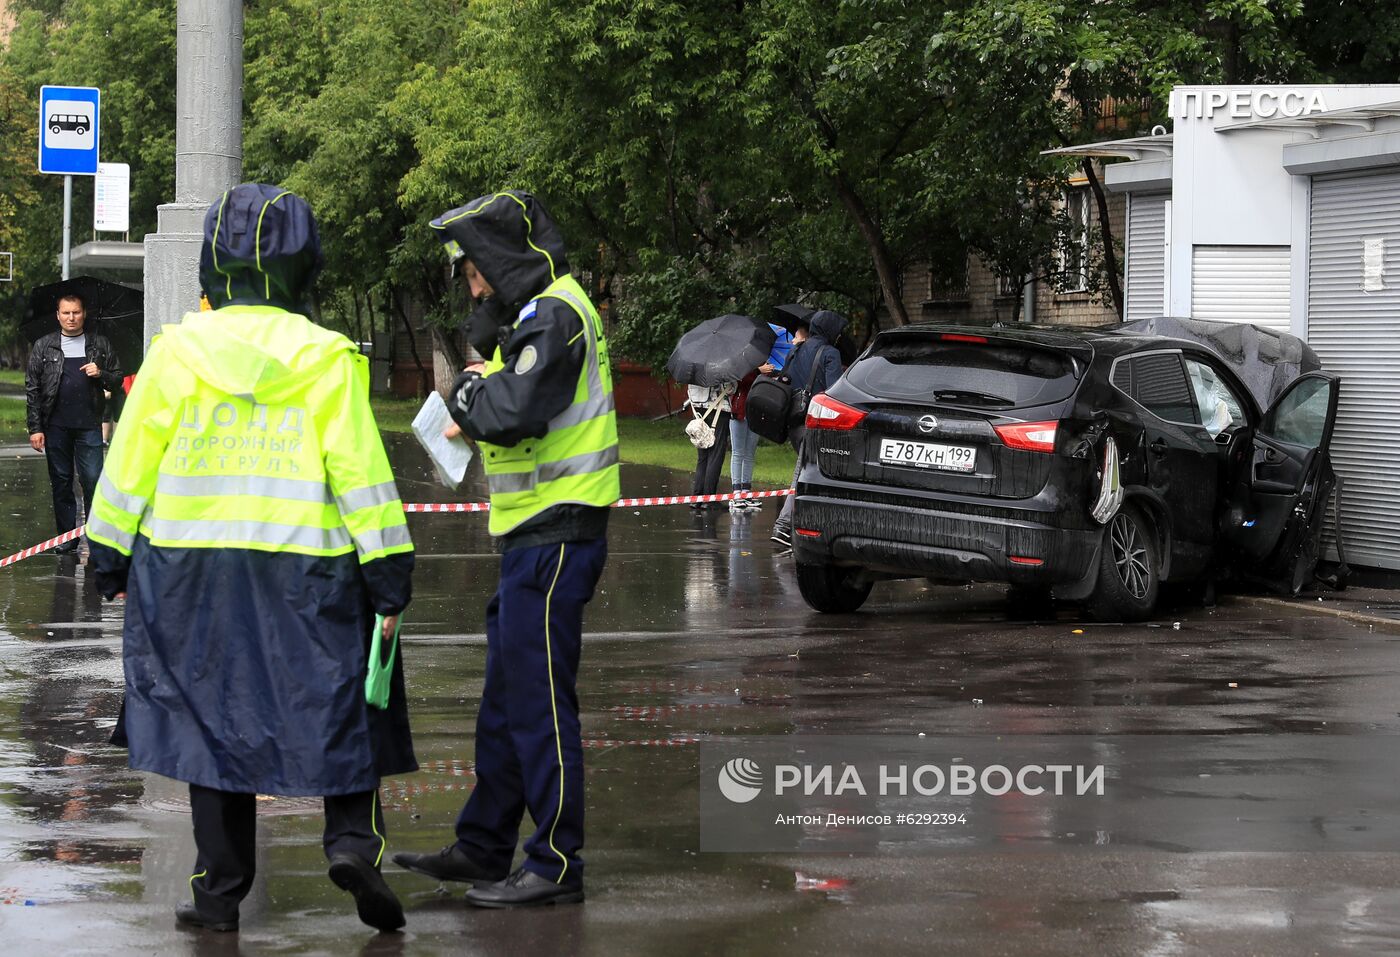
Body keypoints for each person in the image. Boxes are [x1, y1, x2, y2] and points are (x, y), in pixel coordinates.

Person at [85, 183, 417, 934]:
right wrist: (389, 572)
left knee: (212, 722)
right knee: (346, 704)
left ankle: (218, 894)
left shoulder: (174, 353)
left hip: (189, 575)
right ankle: (352, 843)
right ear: (303, 264)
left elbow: (128, 466)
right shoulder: (328, 358)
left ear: (213, 261)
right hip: (309, 573)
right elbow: (362, 476)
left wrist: (108, 555)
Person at [393, 190, 618, 908]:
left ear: (501, 258)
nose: (473, 287)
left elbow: (511, 409)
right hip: (534, 536)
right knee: (506, 702)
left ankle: (556, 864)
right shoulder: (533, 318)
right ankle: (485, 846)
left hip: (558, 534)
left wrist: (467, 396)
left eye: (476, 272)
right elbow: (497, 393)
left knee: (540, 704)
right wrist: (481, 371)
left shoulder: (556, 314)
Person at [25, 292, 123, 552]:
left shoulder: (99, 344)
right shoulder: (44, 346)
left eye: (76, 312)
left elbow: (118, 378)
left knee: (92, 480)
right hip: (55, 426)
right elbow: (33, 388)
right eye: (66, 313)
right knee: (61, 481)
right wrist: (35, 428)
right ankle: (67, 538)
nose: (71, 317)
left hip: (89, 425)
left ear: (84, 314)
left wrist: (100, 373)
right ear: (58, 315)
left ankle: (96, 535)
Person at [771, 309, 847, 547]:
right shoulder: (830, 354)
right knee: (803, 474)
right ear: (830, 330)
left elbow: (785, 381)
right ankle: (783, 526)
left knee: (813, 473)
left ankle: (810, 526)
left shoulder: (795, 350)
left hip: (793, 422)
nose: (840, 336)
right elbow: (835, 392)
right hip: (814, 423)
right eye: (838, 331)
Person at [728, 323, 795, 512]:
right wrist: (758, 371)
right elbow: (739, 380)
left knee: (750, 453)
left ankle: (746, 491)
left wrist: (771, 376)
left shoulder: (765, 358)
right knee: (738, 452)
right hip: (740, 408)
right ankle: (736, 493)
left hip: (757, 410)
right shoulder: (740, 357)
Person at [686, 380, 733, 507]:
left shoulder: (693, 369)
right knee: (715, 455)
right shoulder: (721, 367)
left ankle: (697, 498)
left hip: (698, 409)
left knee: (703, 456)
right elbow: (730, 389)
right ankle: (709, 499)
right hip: (719, 409)